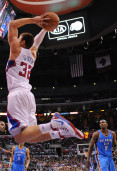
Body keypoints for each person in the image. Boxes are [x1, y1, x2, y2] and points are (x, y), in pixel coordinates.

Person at [6, 14, 84, 144]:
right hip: (28, 96)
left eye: (19, 38)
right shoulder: (32, 55)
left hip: (17, 94)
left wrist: (34, 20)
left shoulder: (16, 50)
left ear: (22, 42)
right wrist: (44, 30)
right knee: (30, 138)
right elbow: (36, 42)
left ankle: (53, 124)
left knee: (19, 138)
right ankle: (61, 133)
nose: (17, 39)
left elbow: (12, 24)